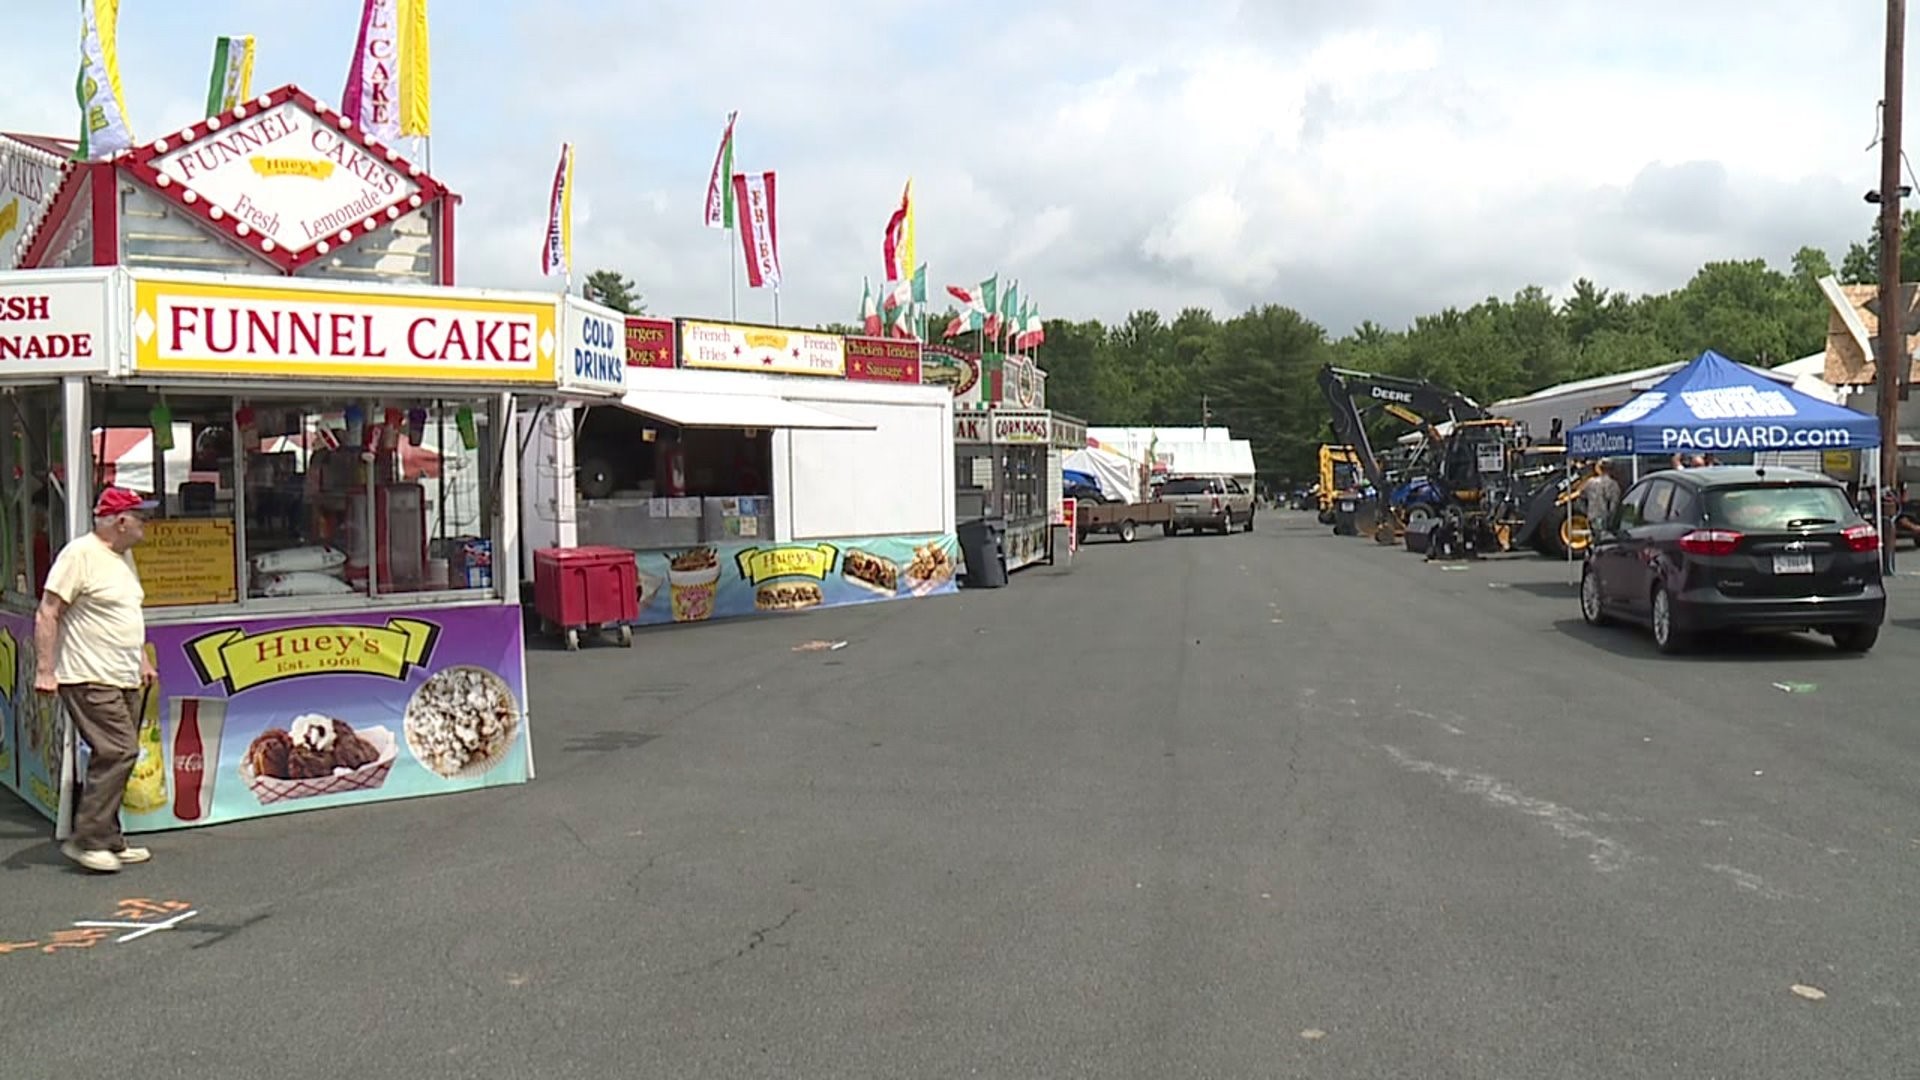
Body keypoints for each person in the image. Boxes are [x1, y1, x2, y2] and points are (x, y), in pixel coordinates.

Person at [33, 487, 159, 873]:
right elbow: (48, 612)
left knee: (116, 755)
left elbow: (126, 613)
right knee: (119, 749)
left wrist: (140, 659)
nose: (145, 525)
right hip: (88, 674)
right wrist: (45, 669)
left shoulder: (123, 558)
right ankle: (86, 839)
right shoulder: (79, 555)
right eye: (141, 517)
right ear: (121, 521)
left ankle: (108, 837)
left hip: (121, 675)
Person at [1583, 460, 1623, 536]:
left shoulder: (1590, 483)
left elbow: (1581, 498)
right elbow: (1614, 504)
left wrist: (1586, 511)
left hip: (1592, 516)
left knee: (1594, 539)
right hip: (1604, 517)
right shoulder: (1612, 484)